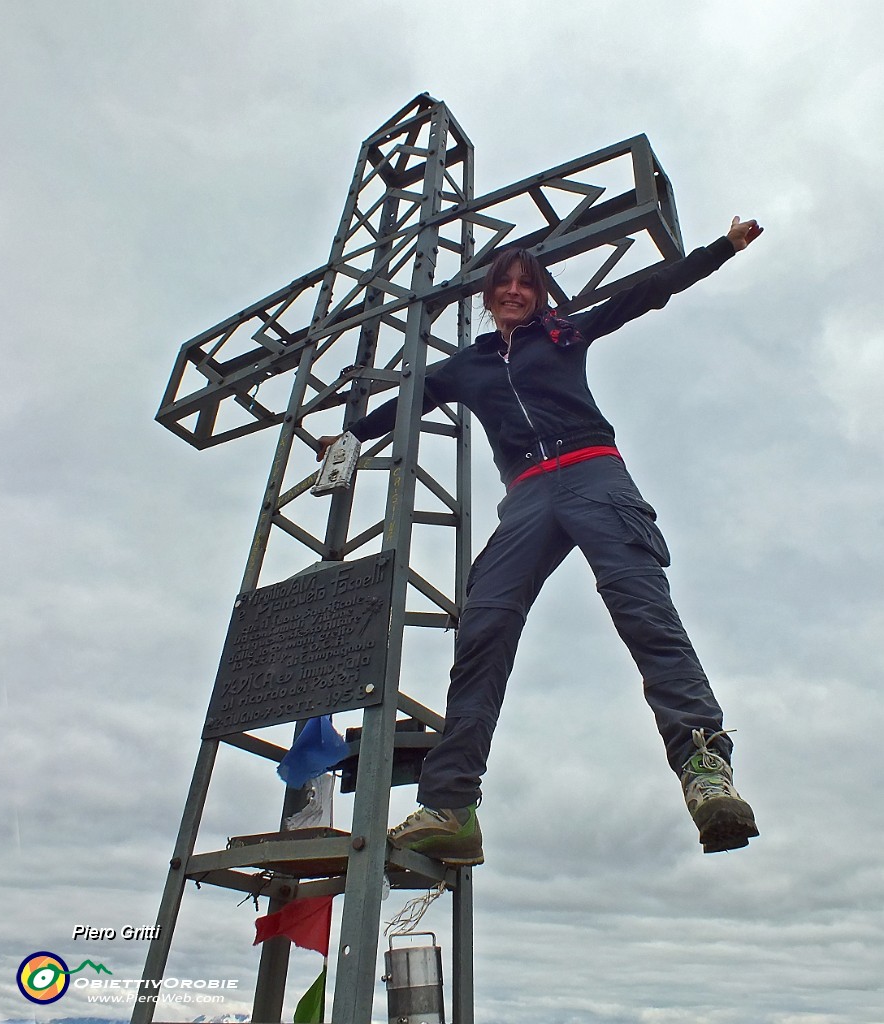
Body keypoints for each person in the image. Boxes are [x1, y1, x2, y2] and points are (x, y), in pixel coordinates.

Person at [317, 216, 763, 863]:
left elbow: (646, 292)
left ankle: (704, 767)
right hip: (526, 495)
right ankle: (450, 805)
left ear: (541, 293)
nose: (517, 292)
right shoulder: (465, 368)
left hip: (594, 475)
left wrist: (720, 249)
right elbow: (408, 402)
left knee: (642, 607)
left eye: (528, 284)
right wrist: (354, 438)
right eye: (506, 283)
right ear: (490, 293)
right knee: (483, 629)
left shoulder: (564, 333)